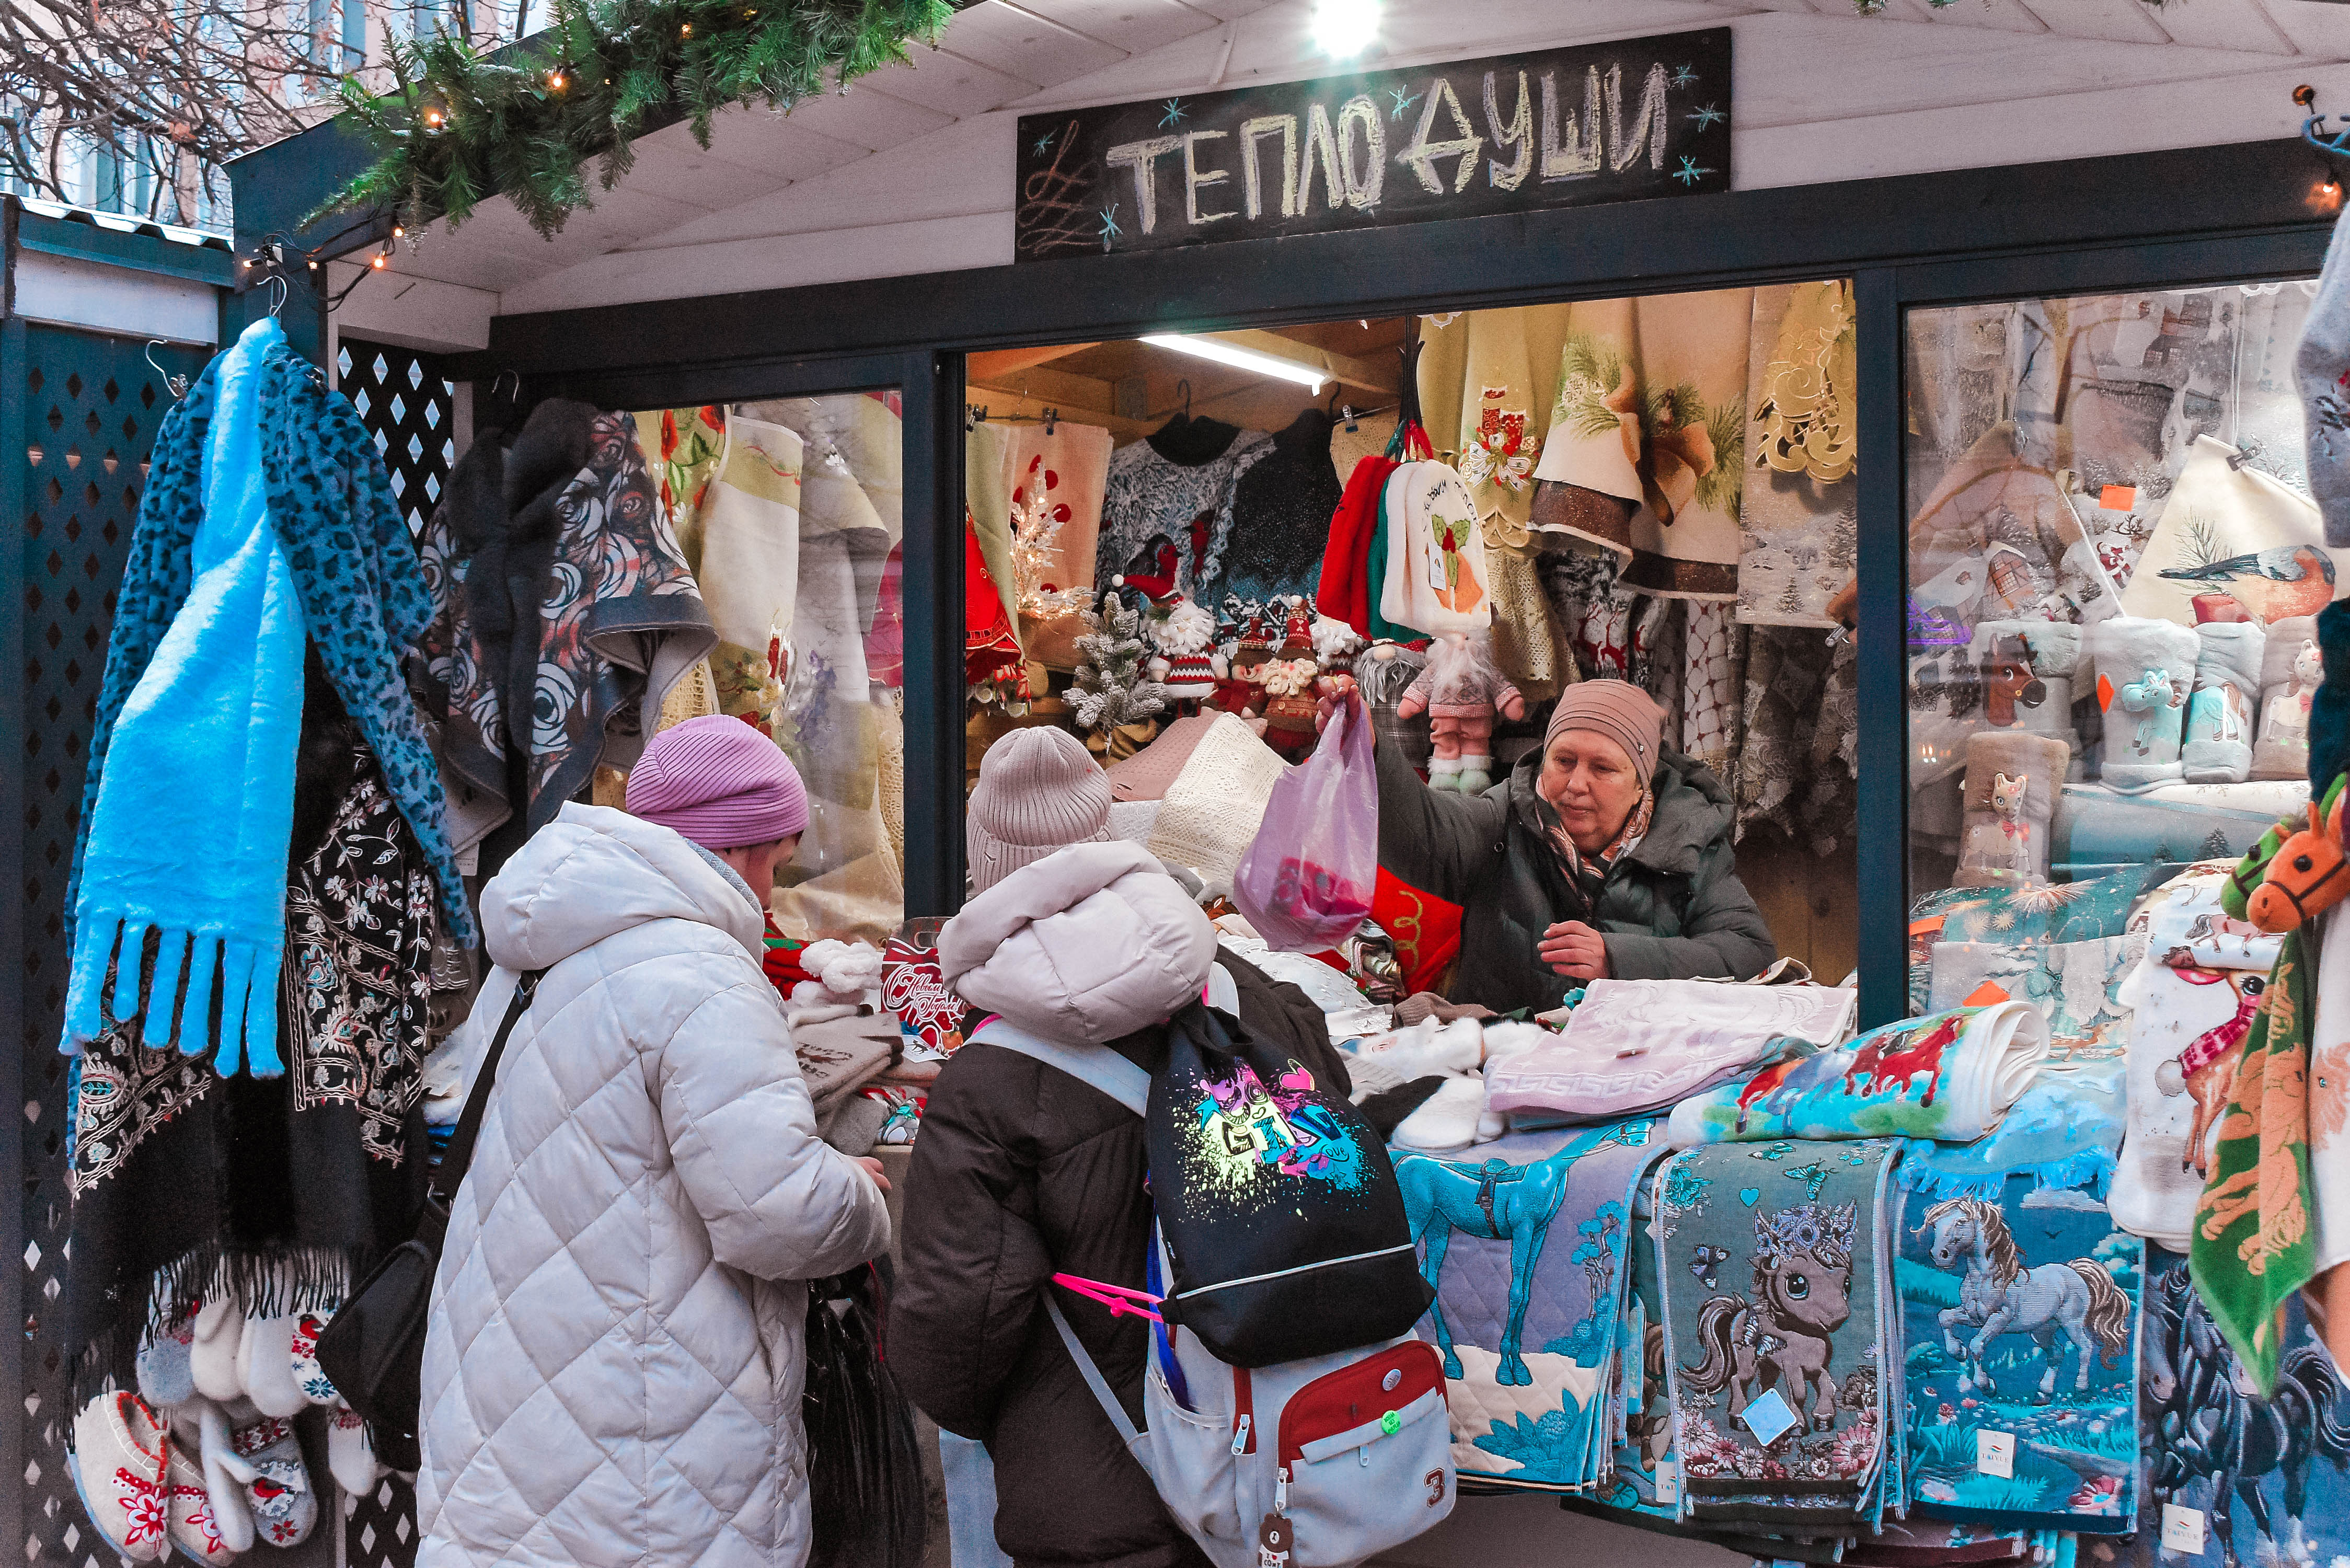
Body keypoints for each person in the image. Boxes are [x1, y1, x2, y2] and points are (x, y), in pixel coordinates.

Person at [417, 714, 892, 1568]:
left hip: (513, 1413)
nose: (772, 896)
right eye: (776, 862)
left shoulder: (537, 956)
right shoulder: (704, 975)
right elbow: (776, 1215)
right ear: (738, 846)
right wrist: (857, 1194)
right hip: (648, 1445)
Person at [889, 727, 1348, 1568]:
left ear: (986, 875)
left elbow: (957, 1323)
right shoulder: (1245, 991)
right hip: (1290, 1452)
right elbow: (1340, 1134)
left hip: (1104, 1489)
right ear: (1106, 845)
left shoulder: (988, 1079)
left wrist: (1024, 1424)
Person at [1368, 679, 1773, 1012]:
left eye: (1603, 768)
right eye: (1563, 761)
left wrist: (1617, 959)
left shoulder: (1688, 840)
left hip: (1635, 1057)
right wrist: (1370, 751)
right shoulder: (1503, 819)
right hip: (1501, 1053)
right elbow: (1426, 835)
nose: (1577, 784)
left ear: (1640, 785)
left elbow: (1749, 952)